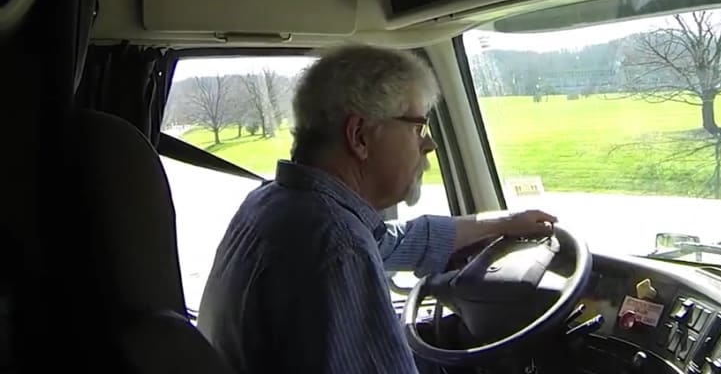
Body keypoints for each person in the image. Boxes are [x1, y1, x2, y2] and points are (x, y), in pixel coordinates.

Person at [196, 43, 558, 374]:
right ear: (360, 136)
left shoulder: (275, 203)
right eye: (418, 127)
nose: (429, 144)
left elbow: (390, 241)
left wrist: (502, 223)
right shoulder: (339, 247)